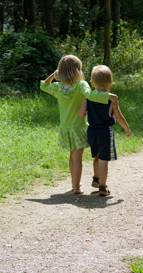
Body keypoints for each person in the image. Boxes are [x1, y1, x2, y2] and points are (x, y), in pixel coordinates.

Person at [40, 55, 119, 194]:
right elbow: (91, 95)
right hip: (78, 127)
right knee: (77, 158)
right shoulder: (81, 85)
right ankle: (76, 187)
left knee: (72, 156)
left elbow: (43, 85)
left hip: (65, 128)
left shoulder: (58, 88)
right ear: (77, 71)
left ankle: (74, 183)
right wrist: (108, 96)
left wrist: (53, 74)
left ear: (61, 71)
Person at [78, 65, 131, 196]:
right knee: (104, 159)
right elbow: (119, 117)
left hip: (91, 132)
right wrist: (126, 128)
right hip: (105, 133)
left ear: (92, 83)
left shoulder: (88, 98)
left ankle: (96, 178)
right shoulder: (112, 101)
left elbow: (80, 114)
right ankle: (102, 186)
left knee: (96, 155)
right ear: (110, 82)